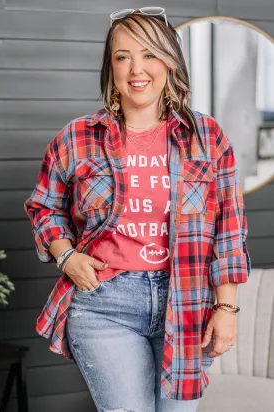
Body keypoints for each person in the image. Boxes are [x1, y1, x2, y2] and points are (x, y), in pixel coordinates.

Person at [24, 7, 251, 412]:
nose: (136, 68)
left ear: (169, 62)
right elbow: (44, 206)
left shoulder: (206, 136)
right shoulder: (77, 138)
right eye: (122, 56)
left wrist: (227, 307)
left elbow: (228, 228)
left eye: (149, 54)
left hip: (187, 302)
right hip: (104, 304)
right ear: (110, 67)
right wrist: (66, 256)